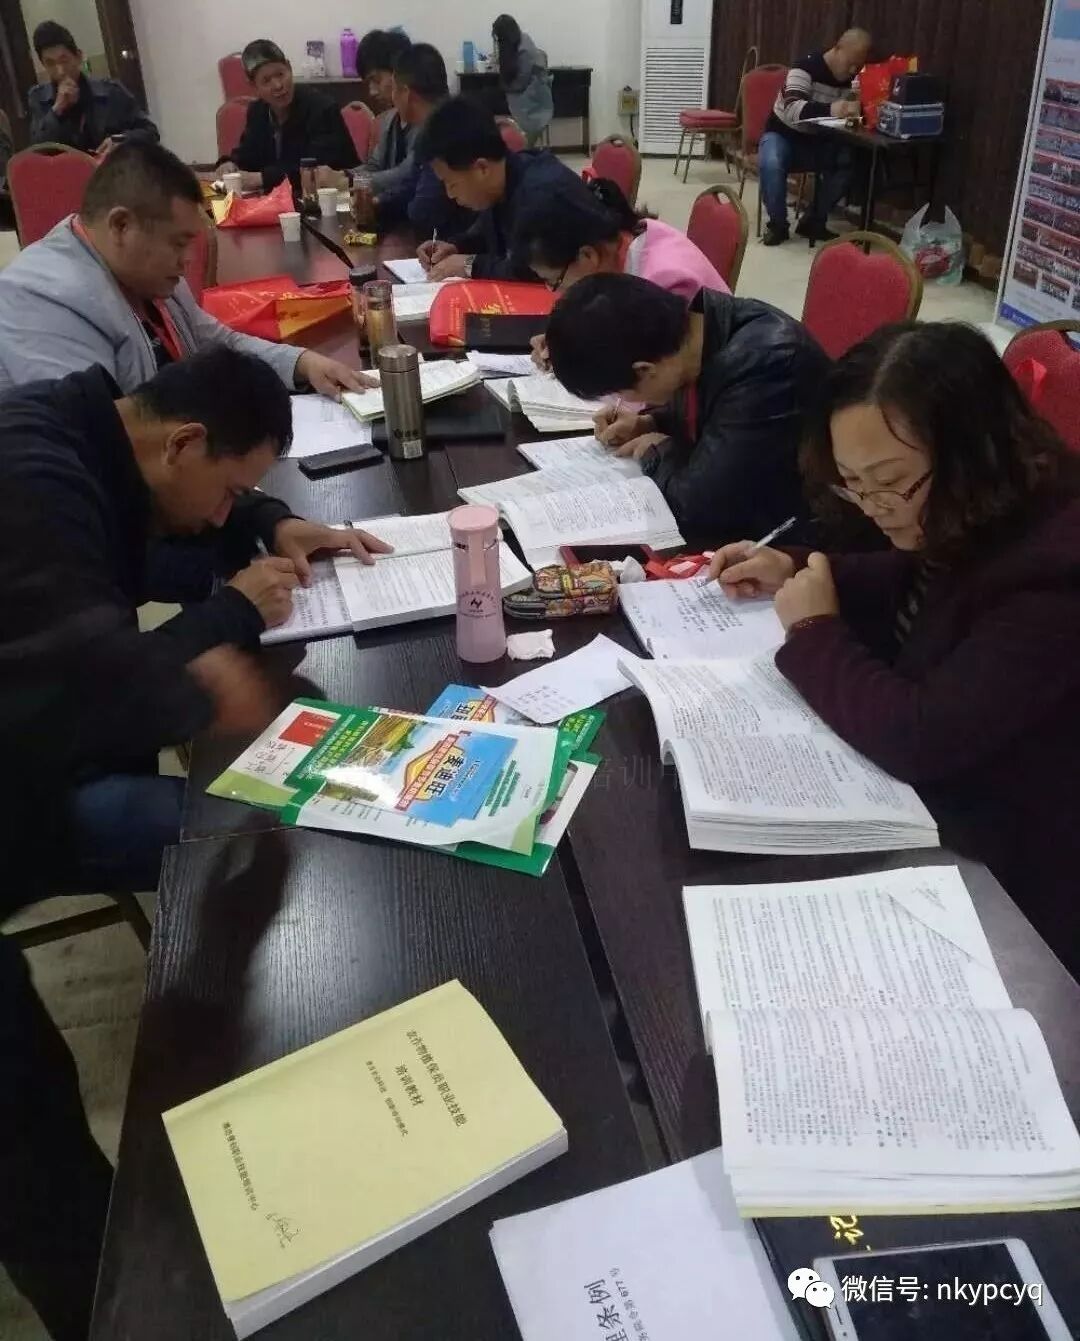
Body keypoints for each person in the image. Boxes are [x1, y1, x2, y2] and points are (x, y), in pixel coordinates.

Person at [708, 323, 1080, 977]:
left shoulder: (1055, 572)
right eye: (853, 483)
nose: (874, 508)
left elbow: (921, 736)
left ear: (974, 450)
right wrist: (797, 564)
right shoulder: (980, 506)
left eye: (889, 482)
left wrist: (814, 631)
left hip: (1029, 875)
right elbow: (923, 576)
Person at [0, 140, 368, 398]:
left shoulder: (141, 271)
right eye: (177, 243)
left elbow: (214, 341)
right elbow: (96, 440)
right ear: (121, 226)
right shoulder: (43, 301)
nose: (188, 259)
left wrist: (301, 363)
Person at [544, 273, 828, 544]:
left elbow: (702, 505)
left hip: (795, 537)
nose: (621, 399)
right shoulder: (697, 333)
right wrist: (651, 422)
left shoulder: (766, 365)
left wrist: (656, 451)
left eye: (620, 392)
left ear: (645, 370)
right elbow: (720, 413)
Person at [513, 175, 728, 369]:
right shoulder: (626, 241)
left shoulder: (664, 285)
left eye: (555, 281)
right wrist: (566, 344)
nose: (556, 291)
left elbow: (652, 380)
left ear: (587, 255)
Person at [414, 95, 580, 280]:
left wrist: (469, 264)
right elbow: (487, 235)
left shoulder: (540, 194)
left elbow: (532, 272)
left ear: (482, 168)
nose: (450, 194)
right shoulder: (502, 180)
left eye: (451, 183)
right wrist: (456, 247)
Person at [758, 27, 871, 246]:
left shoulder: (854, 78)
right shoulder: (805, 67)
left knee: (849, 163)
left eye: (858, 65)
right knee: (771, 162)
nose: (853, 70)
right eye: (850, 62)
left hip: (820, 141)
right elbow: (792, 109)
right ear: (837, 49)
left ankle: (814, 220)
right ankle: (778, 224)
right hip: (783, 134)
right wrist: (832, 109)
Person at [215, 38, 357, 193]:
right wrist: (229, 164)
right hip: (282, 200)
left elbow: (314, 169)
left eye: (280, 74)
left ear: (289, 67)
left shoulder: (322, 108)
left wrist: (262, 178)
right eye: (266, 81)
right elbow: (247, 156)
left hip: (336, 197)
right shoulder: (258, 112)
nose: (278, 85)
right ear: (254, 86)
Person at [374, 43, 475, 238]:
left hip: (458, 243)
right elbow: (411, 183)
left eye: (394, 89)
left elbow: (424, 212)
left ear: (407, 94)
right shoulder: (430, 127)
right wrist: (379, 203)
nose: (392, 98)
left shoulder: (449, 130)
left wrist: (405, 204)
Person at [28, 19, 158, 154]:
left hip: (110, 166)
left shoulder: (111, 91)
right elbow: (38, 150)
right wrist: (57, 109)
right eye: (50, 63)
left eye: (64, 60)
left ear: (78, 57)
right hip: (65, 167)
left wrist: (120, 140)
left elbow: (150, 132)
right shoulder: (38, 98)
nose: (60, 71)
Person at [355, 27, 417, 197]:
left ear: (399, 72)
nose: (372, 92)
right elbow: (374, 166)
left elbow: (407, 173)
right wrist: (342, 175)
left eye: (376, 80)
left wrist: (351, 181)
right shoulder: (388, 120)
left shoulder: (429, 120)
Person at [492, 14, 553, 148]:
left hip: (532, 97)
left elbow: (521, 82)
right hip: (520, 91)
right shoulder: (516, 42)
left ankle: (520, 147)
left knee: (490, 99)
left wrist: (504, 87)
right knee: (487, 97)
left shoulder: (525, 49)